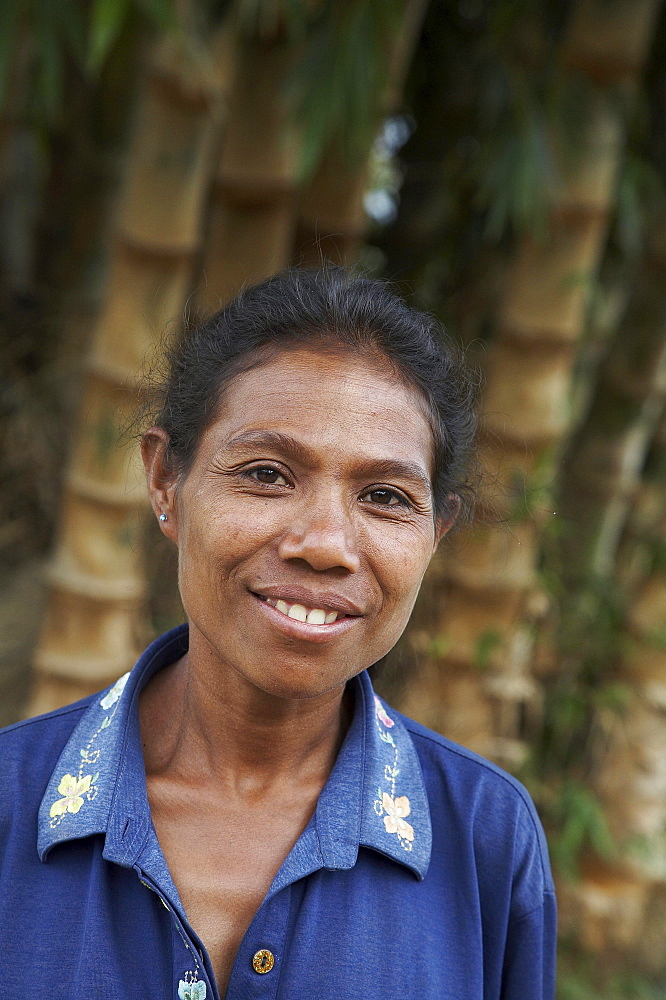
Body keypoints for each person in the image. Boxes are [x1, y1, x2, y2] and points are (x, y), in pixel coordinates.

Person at [0, 268, 556, 999]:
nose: (325, 543)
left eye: (385, 497)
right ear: (166, 480)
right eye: (266, 474)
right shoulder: (11, 807)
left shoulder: (485, 841)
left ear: (435, 532)